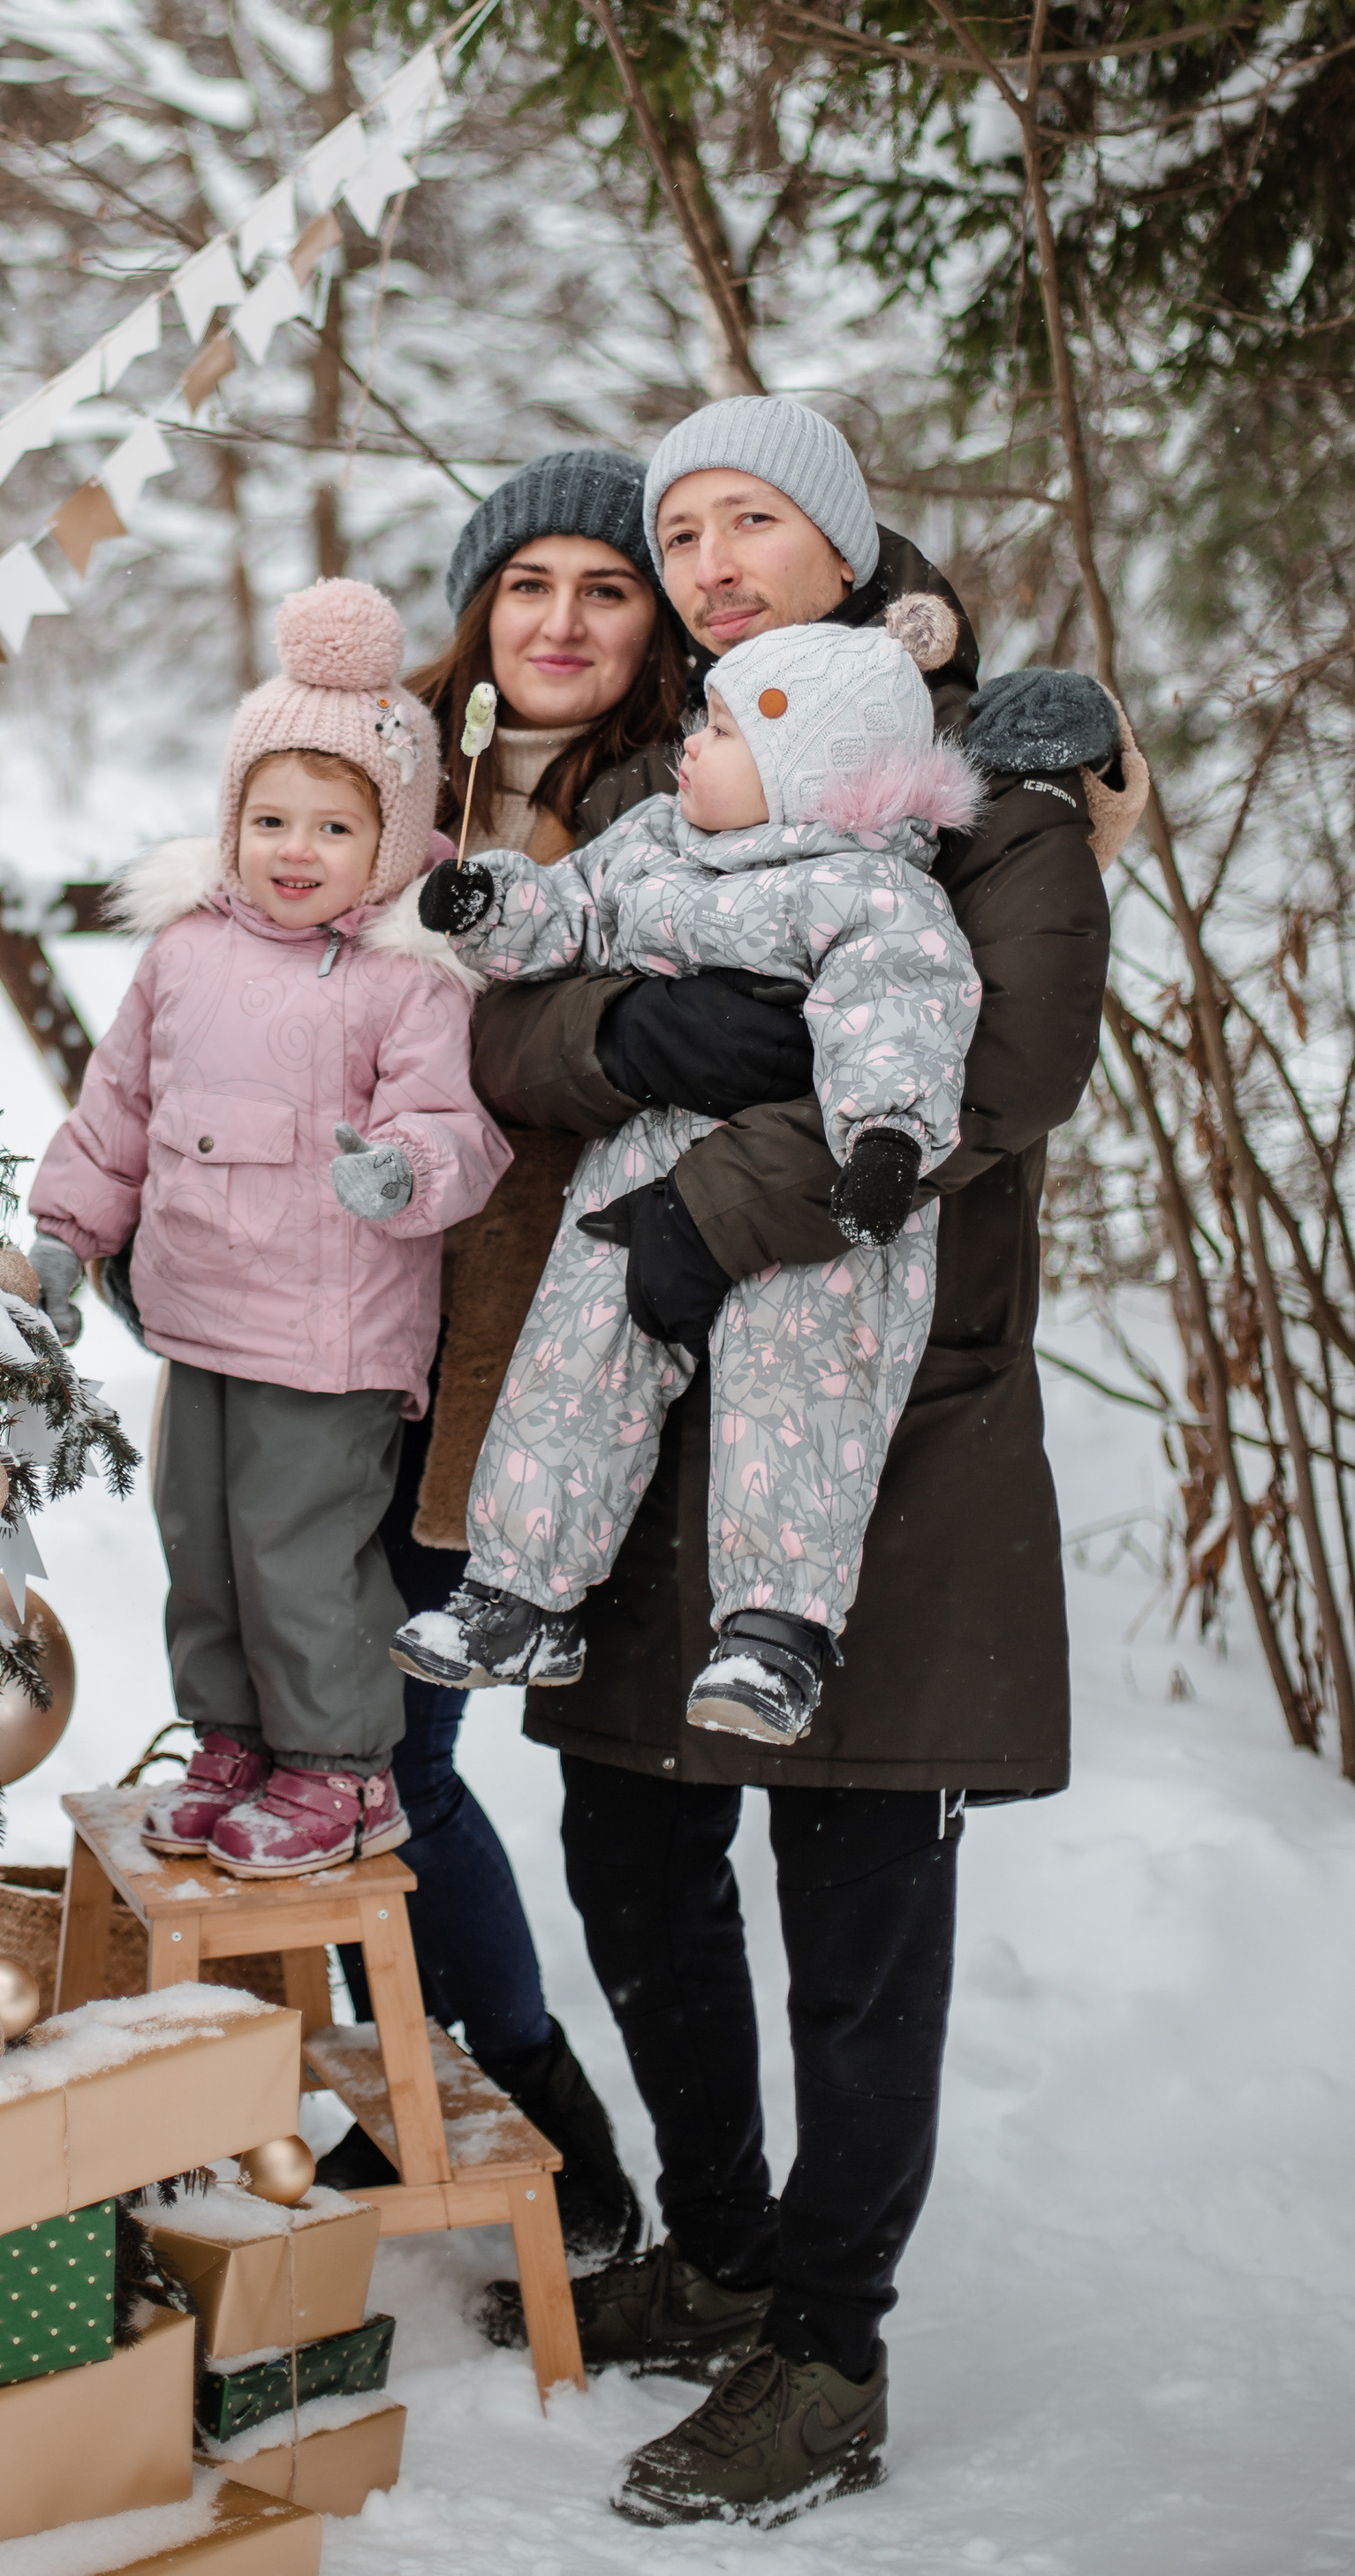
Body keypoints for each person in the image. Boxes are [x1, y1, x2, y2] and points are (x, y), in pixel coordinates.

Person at [458, 398, 1132, 2527]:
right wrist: (621, 1039)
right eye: (677, 531)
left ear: (843, 549)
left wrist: (702, 1199)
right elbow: (506, 1020)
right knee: (627, 1857)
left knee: (849, 1900)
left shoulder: (992, 812)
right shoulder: (674, 785)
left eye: (752, 517)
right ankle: (720, 2240)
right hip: (655, 1437)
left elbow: (988, 1077)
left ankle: (823, 2347)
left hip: (886, 1440)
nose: (708, 557)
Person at [398, 612, 984, 1745]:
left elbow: (901, 1017)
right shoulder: (655, 840)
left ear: (805, 771)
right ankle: (520, 1593)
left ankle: (776, 1632)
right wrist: (493, 909)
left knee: (800, 1393)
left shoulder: (873, 894)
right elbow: (568, 913)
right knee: (569, 1364)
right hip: (640, 1162)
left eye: (721, 730)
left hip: (811, 1196)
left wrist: (885, 1142)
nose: (690, 746)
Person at [318, 454, 686, 2254]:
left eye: (603, 588)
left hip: (510, 1350)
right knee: (297, 1739)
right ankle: (374, 2096)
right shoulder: (397, 781)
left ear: (655, 621)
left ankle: (544, 2126)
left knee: (397, 1755)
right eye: (524, 582)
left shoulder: (684, 804)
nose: (556, 621)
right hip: (327, 1326)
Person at [26, 579, 511, 1878]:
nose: (296, 850)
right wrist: (65, 1237)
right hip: (200, 1318)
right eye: (271, 818)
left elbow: (460, 1131)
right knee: (203, 1548)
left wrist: (402, 1172)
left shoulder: (408, 979)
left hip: (333, 1329)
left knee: (301, 1556)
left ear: (396, 837)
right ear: (232, 821)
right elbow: (118, 1105)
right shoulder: (183, 952)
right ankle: (236, 1736)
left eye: (336, 826)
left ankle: (344, 1768)